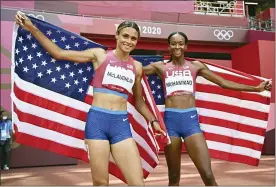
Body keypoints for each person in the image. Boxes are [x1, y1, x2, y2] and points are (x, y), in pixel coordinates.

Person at [15, 11, 166, 186]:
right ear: (116, 36)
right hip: (97, 123)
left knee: (137, 182)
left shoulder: (137, 67)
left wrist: (154, 122)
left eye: (133, 39)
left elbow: (139, 101)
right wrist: (32, 28)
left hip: (121, 125)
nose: (128, 41)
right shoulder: (99, 55)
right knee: (101, 182)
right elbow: (59, 53)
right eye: (125, 36)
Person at [143, 31, 272, 186]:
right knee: (174, 177)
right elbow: (135, 72)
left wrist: (255, 88)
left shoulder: (195, 66)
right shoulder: (160, 67)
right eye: (173, 43)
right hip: (171, 124)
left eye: (180, 43)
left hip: (190, 123)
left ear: (186, 46)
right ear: (169, 47)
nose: (177, 46)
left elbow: (223, 82)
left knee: (208, 174)